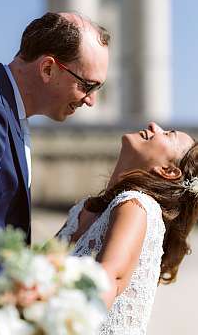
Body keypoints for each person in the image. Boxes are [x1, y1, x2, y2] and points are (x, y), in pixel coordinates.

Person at [0, 11, 110, 334]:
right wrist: (20, 291)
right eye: (88, 85)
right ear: (47, 68)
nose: (91, 101)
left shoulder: (1, 107)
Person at [58, 122, 198, 334]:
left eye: (168, 134)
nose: (153, 125)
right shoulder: (82, 211)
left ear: (168, 171)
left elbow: (106, 282)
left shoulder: (136, 204)